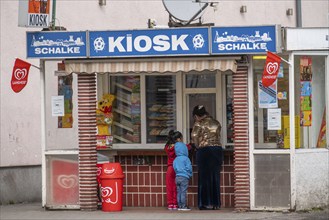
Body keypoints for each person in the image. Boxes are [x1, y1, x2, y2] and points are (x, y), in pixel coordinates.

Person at [191, 105, 223, 210]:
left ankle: (204, 203)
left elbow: (195, 136)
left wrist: (197, 146)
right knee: (215, 177)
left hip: (204, 150)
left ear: (196, 116)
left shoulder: (198, 123)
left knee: (204, 177)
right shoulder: (216, 122)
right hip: (217, 150)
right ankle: (216, 203)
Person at [173, 136, 193, 211]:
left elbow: (174, 167)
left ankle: (179, 206)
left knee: (178, 192)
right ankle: (184, 206)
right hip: (184, 177)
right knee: (183, 192)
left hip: (177, 177)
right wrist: (190, 174)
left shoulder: (176, 159)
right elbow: (189, 167)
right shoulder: (186, 158)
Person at [164, 130, 180, 210]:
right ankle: (175, 203)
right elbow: (187, 147)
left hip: (170, 168)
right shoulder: (179, 146)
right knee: (176, 186)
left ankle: (170, 204)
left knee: (170, 186)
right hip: (178, 167)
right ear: (178, 139)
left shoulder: (167, 146)